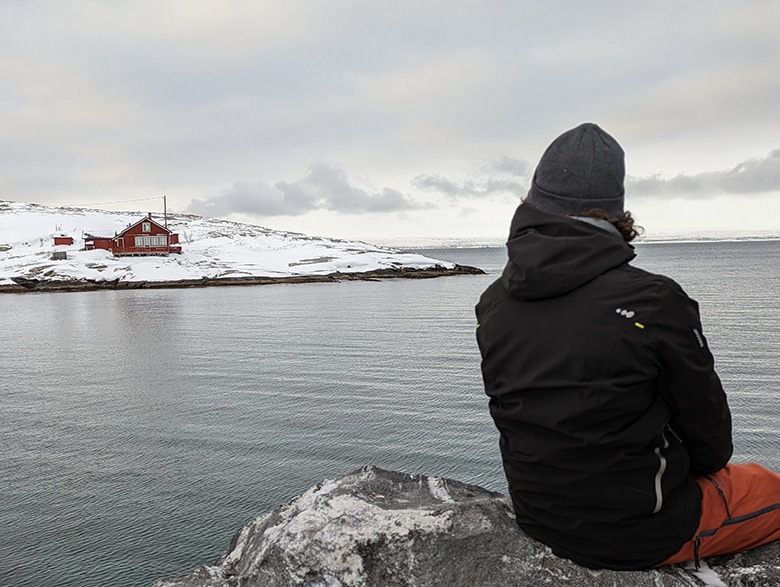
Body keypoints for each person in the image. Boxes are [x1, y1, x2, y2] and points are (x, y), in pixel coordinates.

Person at [475, 122, 780, 570]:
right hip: (641, 532)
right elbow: (712, 444)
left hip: (538, 517)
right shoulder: (653, 301)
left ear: (533, 202)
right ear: (616, 212)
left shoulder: (495, 301)